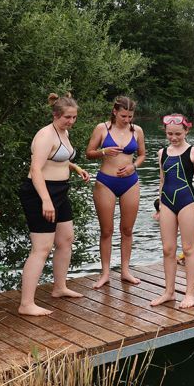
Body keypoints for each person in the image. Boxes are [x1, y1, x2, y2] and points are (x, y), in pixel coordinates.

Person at [18, 93, 90, 316]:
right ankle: (26, 303)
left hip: (60, 191)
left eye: (74, 117)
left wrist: (75, 168)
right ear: (55, 115)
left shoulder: (64, 132)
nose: (71, 121)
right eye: (67, 117)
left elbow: (60, 157)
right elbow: (36, 169)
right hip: (40, 193)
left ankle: (59, 287)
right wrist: (46, 200)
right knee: (41, 248)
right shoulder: (45, 135)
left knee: (66, 239)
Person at [84, 96, 146, 289]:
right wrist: (104, 152)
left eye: (130, 116)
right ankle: (105, 273)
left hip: (130, 182)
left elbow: (142, 155)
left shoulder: (137, 130)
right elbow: (88, 153)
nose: (127, 120)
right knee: (107, 230)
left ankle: (125, 271)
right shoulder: (102, 128)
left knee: (127, 229)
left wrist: (133, 166)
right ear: (114, 111)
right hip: (106, 182)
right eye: (123, 116)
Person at [151, 114, 194, 309]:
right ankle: (169, 292)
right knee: (168, 249)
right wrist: (160, 205)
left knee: (188, 248)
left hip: (186, 202)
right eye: (169, 134)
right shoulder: (162, 153)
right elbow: (162, 180)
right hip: (167, 202)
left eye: (177, 134)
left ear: (186, 131)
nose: (173, 137)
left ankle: (189, 293)